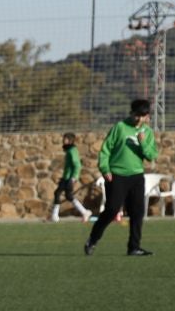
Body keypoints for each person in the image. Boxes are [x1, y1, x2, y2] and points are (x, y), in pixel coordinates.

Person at [85, 99, 159, 256]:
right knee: (112, 209)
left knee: (137, 212)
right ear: (131, 113)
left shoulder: (148, 133)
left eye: (143, 116)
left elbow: (151, 155)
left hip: (137, 176)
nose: (139, 119)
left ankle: (134, 247)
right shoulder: (120, 127)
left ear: (147, 117)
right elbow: (105, 149)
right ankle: (93, 239)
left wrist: (143, 144)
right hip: (116, 175)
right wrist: (105, 169)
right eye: (137, 115)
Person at [48, 134, 91, 222]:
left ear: (70, 140)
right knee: (68, 196)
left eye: (65, 139)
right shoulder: (69, 150)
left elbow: (77, 165)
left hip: (69, 178)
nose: (63, 140)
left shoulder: (72, 151)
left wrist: (74, 177)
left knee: (58, 193)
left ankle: (55, 216)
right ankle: (84, 212)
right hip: (66, 177)